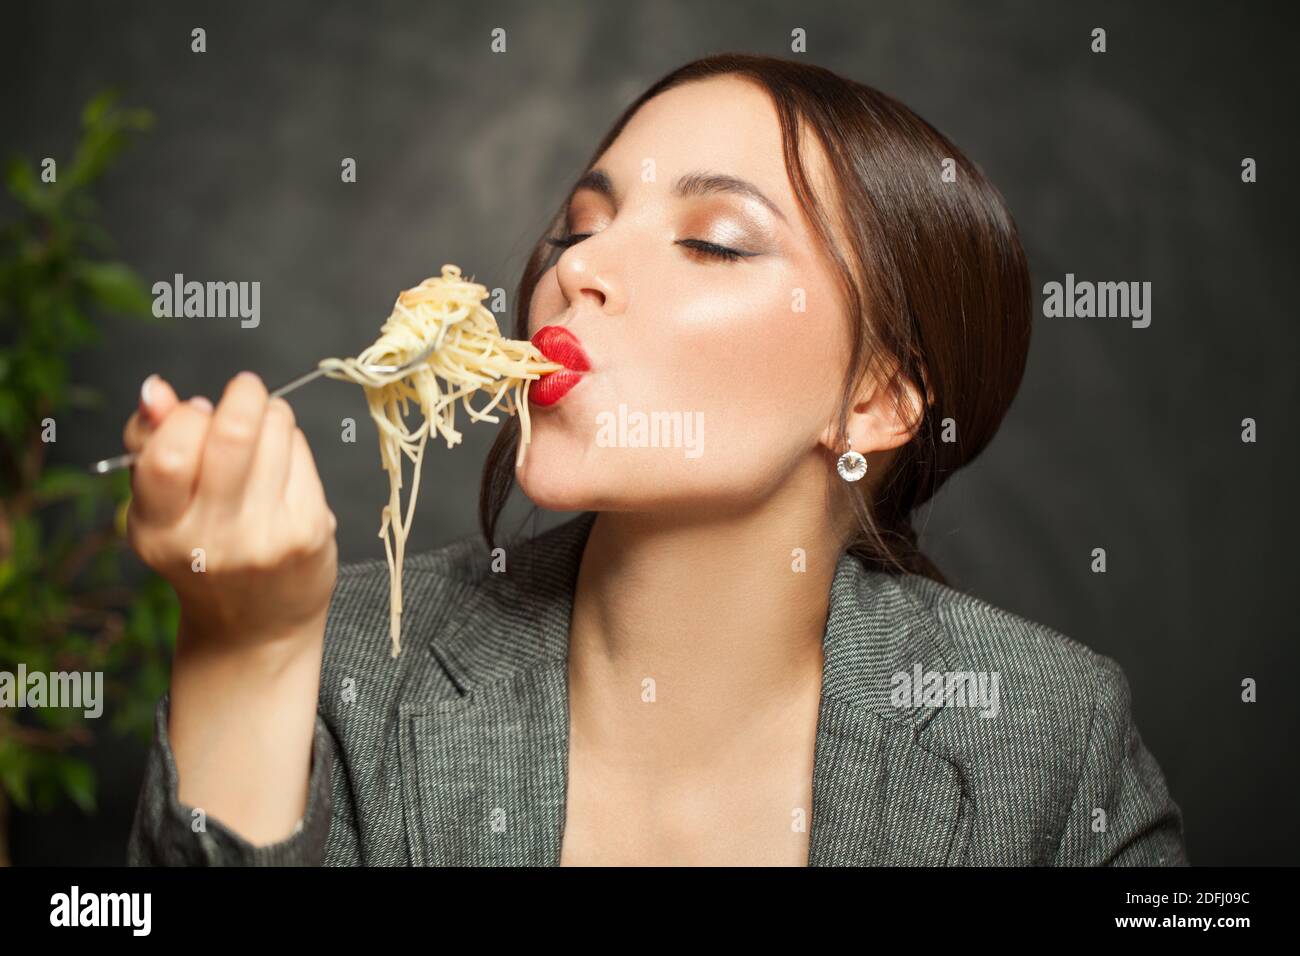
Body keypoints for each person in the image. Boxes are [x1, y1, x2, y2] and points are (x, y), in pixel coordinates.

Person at [124, 53, 1187, 866]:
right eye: (579, 227)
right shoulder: (347, 661)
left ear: (874, 398)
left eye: (714, 240)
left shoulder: (1048, 730)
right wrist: (246, 647)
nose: (579, 265)